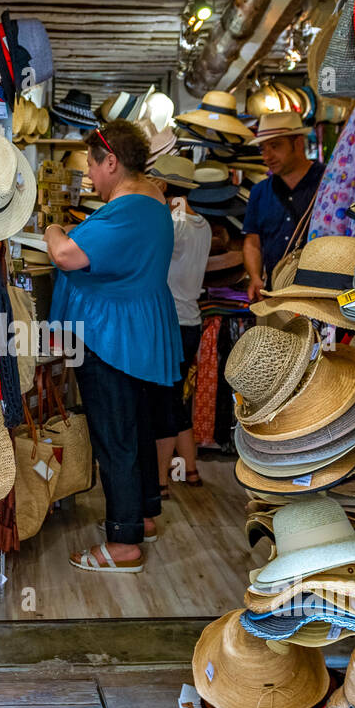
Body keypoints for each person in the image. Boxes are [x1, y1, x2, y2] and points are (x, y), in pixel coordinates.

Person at [45, 120, 182, 574]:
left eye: (91, 163)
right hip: (135, 331)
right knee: (135, 428)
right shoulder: (151, 200)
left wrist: (52, 228)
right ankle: (140, 517)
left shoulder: (129, 209)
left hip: (111, 335)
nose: (88, 174)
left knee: (115, 436)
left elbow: (67, 256)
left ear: (112, 161)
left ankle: (123, 544)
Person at [150, 168, 210, 498]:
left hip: (169, 323)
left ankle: (160, 482)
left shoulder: (174, 225)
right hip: (192, 321)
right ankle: (190, 469)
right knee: (177, 399)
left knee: (164, 403)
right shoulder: (204, 225)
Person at [241, 111, 322, 301]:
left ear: (298, 143)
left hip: (318, 294)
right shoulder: (260, 191)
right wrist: (254, 277)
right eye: (263, 149)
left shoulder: (328, 183)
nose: (267, 156)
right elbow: (253, 242)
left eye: (275, 146)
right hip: (274, 293)